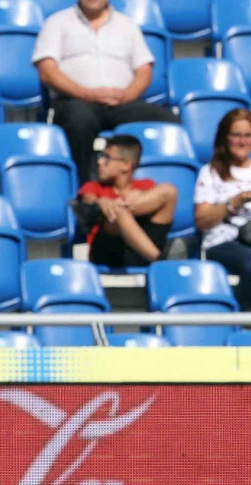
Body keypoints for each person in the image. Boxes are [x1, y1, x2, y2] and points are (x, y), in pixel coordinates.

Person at [32, 0, 178, 185]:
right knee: (79, 120)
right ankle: (86, 191)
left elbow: (144, 70)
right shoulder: (56, 23)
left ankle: (156, 188)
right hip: (75, 100)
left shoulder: (127, 25)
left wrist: (127, 95)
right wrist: (87, 94)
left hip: (122, 102)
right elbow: (47, 72)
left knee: (168, 122)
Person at [76, 134, 176, 267]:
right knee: (117, 212)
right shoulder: (93, 187)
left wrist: (131, 201)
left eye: (107, 158)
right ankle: (162, 262)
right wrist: (103, 202)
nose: (100, 162)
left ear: (126, 165)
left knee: (169, 190)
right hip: (108, 252)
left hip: (139, 251)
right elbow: (89, 201)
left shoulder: (146, 186)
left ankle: (159, 260)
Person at [195, 108, 251, 310]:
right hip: (221, 241)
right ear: (225, 138)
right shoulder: (211, 172)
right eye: (236, 135)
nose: (242, 141)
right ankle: (245, 322)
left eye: (247, 135)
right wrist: (235, 202)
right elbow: (202, 221)